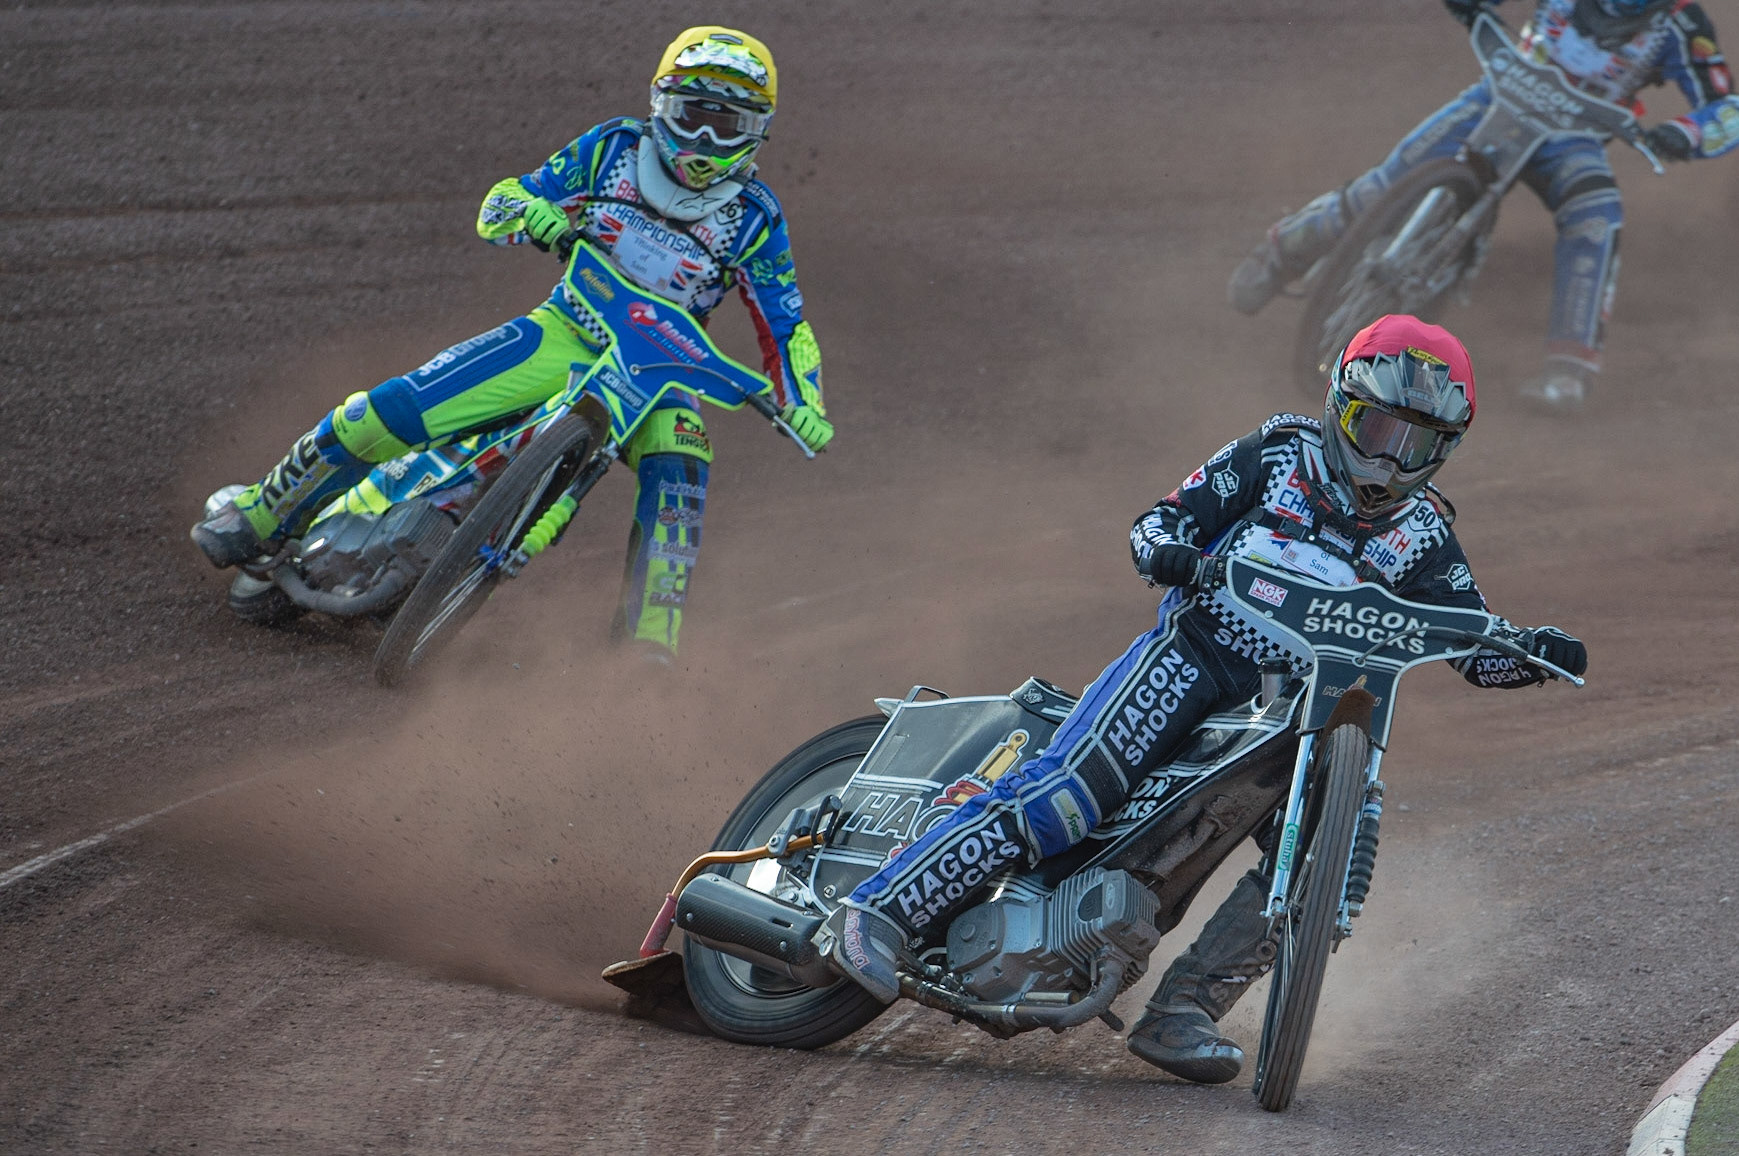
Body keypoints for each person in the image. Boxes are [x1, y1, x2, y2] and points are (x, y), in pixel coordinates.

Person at [824, 315, 1589, 1084]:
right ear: (1340, 404)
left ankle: (1184, 1009)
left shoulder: (1424, 536)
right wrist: (1167, 551)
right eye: (1378, 427)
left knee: (1338, 853)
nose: (1391, 456)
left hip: (1301, 708)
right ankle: (880, 909)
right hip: (1194, 656)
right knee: (1066, 797)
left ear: (1443, 450)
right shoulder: (1277, 451)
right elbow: (1159, 521)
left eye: (1415, 442)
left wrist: (1532, 655)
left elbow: (1468, 642)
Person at [190, 26, 832, 659]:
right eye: (693, 116)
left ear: (757, 132)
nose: (703, 139)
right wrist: (532, 212)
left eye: (727, 125)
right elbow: (502, 200)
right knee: (386, 411)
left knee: (683, 477)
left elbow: (787, 324)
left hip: (662, 373)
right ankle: (258, 515)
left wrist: (806, 402)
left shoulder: (757, 218)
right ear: (662, 105)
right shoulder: (611, 148)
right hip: (569, 329)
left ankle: (646, 653)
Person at [1228, 0, 1739, 410]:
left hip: (1574, 139)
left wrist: (1682, 134)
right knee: (1382, 185)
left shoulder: (1681, 20)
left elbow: (1728, 107)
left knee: (1596, 221)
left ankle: (1569, 371)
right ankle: (1282, 250)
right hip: (1496, 98)